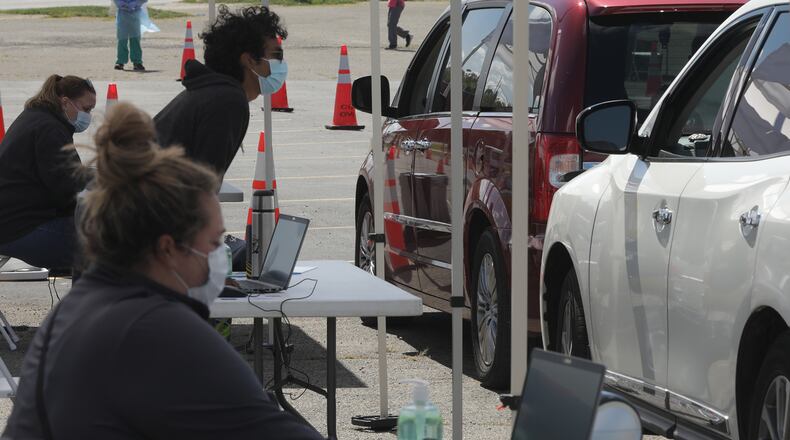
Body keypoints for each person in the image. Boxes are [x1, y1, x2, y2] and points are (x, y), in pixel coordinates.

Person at [1, 103, 324, 440]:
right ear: (168, 248)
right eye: (215, 241)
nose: (221, 254)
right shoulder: (157, 327)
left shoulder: (83, 306)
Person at [154, 5, 288, 179]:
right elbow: (202, 186)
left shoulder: (212, 92)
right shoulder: (227, 102)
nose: (282, 63)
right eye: (276, 55)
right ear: (249, 60)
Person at [0, 75, 95, 271]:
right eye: (86, 109)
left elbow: (64, 175)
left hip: (15, 221)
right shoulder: (49, 129)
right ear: (66, 102)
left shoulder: (37, 118)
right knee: (107, 249)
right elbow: (66, 189)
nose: (89, 116)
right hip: (20, 226)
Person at [113, 0, 147, 71]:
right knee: (122, 39)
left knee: (135, 39)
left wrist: (135, 3)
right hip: (122, 14)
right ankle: (120, 62)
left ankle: (137, 62)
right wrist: (121, 4)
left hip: (135, 14)